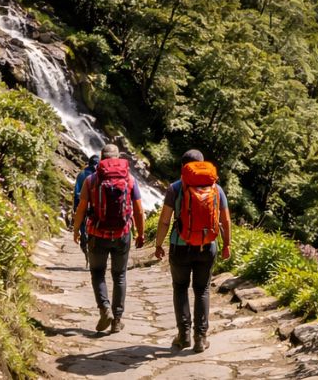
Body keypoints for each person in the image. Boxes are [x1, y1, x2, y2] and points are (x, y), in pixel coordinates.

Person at [154, 150, 231, 353]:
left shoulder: (175, 188)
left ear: (183, 167)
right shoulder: (216, 188)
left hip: (180, 246)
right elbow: (225, 220)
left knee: (180, 288)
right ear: (202, 165)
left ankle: (184, 335)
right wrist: (227, 244)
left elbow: (164, 220)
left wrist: (158, 244)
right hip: (207, 246)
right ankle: (200, 338)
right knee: (202, 290)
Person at [73, 144, 145, 333]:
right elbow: (138, 209)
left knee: (97, 273)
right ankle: (117, 320)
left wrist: (76, 230)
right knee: (119, 275)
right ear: (118, 157)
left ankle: (105, 309)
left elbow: (81, 208)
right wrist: (141, 233)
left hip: (96, 234)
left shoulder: (91, 180)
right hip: (122, 234)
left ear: (102, 159)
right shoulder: (129, 179)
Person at [73, 155, 99, 266]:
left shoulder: (82, 174)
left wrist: (75, 209)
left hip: (82, 204)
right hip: (95, 206)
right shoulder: (100, 174)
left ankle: (85, 248)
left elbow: (76, 192)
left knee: (83, 227)